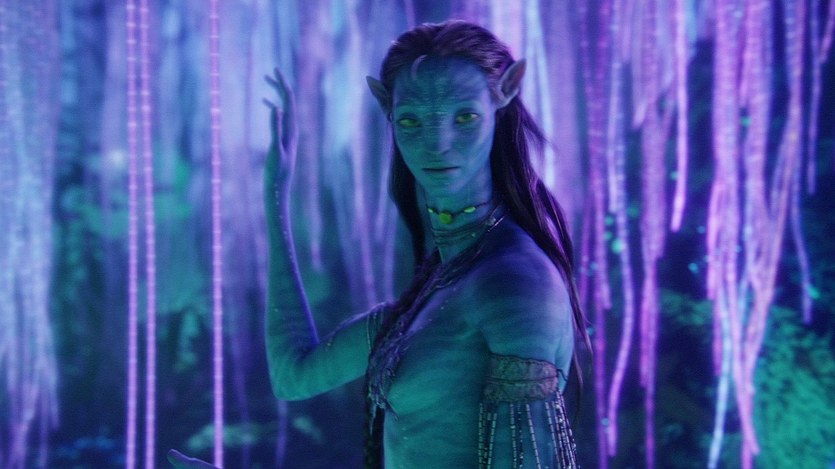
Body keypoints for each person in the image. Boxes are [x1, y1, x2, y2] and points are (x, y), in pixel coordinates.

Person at [171, 20, 588, 469]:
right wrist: (276, 197)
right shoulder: (438, 289)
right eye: (411, 120)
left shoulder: (513, 283)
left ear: (505, 95)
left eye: (464, 117)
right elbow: (295, 375)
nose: (437, 143)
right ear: (386, 107)